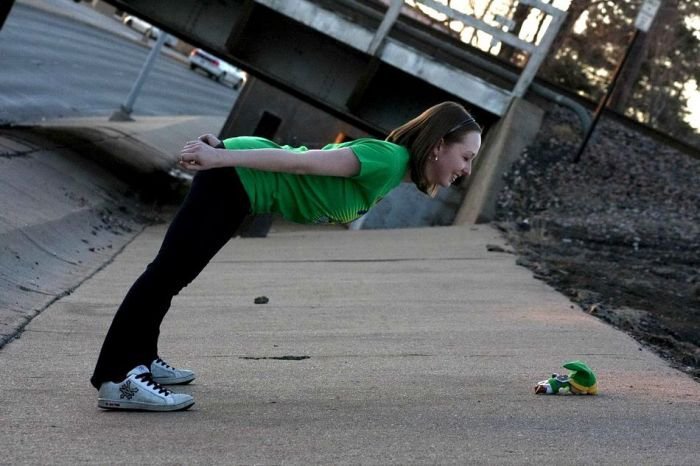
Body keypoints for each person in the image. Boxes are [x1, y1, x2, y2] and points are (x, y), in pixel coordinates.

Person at [91, 101, 482, 411]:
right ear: (438, 146)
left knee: (173, 276)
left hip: (241, 184)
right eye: (466, 157)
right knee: (165, 274)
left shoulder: (393, 170)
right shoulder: (388, 160)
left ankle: (143, 357)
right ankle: (117, 377)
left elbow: (305, 161)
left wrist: (224, 152)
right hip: (235, 179)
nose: (467, 170)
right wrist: (221, 158)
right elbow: (299, 161)